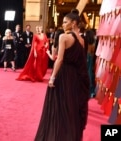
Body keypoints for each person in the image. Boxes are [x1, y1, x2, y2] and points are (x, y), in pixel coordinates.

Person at [34, 12, 90, 141]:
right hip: (74, 77)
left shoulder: (64, 37)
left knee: (58, 107)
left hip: (63, 75)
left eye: (65, 22)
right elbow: (81, 61)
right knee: (71, 107)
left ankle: (56, 136)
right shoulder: (82, 40)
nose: (63, 24)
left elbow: (59, 60)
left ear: (73, 23)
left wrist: (52, 77)